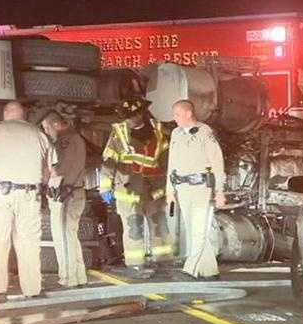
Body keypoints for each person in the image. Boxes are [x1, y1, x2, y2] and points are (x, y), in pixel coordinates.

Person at [0, 101, 54, 304]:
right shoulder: (37, 133)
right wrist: (38, 184)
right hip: (29, 194)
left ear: (6, 114)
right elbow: (50, 167)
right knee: (29, 242)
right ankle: (33, 290)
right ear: (23, 115)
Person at [99, 97, 171, 278]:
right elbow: (109, 162)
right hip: (128, 189)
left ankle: (163, 262)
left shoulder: (159, 131)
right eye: (126, 116)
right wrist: (105, 188)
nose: (128, 120)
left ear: (141, 114)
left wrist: (170, 187)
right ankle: (135, 265)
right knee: (134, 227)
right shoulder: (119, 133)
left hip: (154, 189)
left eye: (132, 116)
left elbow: (168, 160)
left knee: (159, 226)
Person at [166, 100, 225, 280]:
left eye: (177, 114)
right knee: (193, 229)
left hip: (201, 188)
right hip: (183, 188)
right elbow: (172, 163)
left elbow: (217, 163)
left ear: (188, 114)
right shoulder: (176, 134)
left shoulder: (205, 133)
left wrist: (219, 191)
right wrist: (170, 190)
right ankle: (210, 270)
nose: (174, 118)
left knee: (199, 229)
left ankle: (190, 269)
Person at [41, 111, 88, 288]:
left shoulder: (66, 140)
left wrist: (50, 176)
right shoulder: (73, 138)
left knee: (64, 236)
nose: (46, 132)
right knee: (69, 235)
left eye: (46, 127)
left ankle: (69, 277)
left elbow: (62, 169)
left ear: (55, 125)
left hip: (65, 194)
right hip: (71, 192)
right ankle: (78, 276)